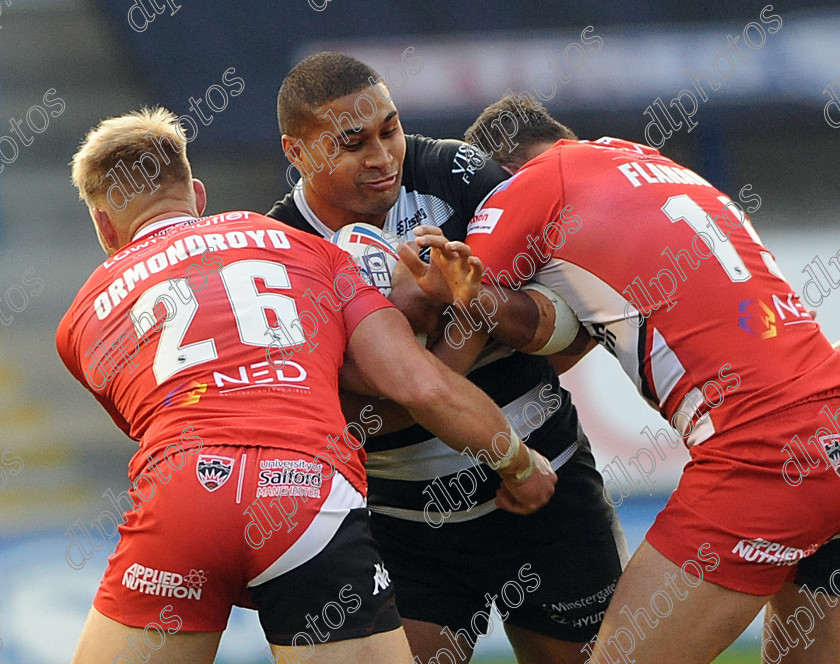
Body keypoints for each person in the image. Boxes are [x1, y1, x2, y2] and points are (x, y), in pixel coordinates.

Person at [57, 107, 557, 664]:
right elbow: (420, 386)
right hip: (307, 494)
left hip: (185, 496)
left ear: (105, 227)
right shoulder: (309, 249)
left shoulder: (79, 321)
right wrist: (518, 464)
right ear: (198, 195)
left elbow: (157, 416)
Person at [408, 94, 840, 664]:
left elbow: (438, 372)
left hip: (762, 455)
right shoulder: (652, 165)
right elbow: (572, 336)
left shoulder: (522, 189)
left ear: (501, 174)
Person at [266, 51, 628, 664]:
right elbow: (341, 421)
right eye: (353, 143)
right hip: (405, 524)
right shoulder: (279, 252)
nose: (383, 157)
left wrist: (462, 314)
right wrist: (435, 327)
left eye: (391, 129)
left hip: (551, 482)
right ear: (295, 152)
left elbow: (578, 331)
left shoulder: (461, 174)